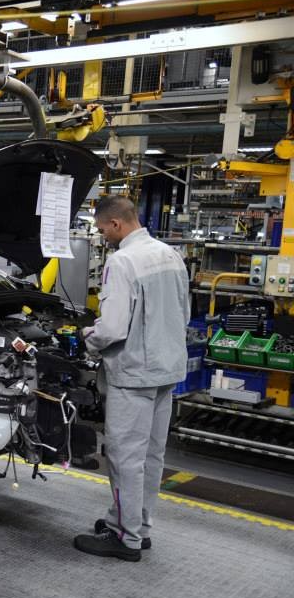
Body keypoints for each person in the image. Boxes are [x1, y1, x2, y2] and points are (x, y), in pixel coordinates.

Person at [74, 195, 190, 562]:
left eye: (102, 230)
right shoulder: (171, 255)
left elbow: (111, 327)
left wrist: (85, 339)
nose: (103, 236)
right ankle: (137, 525)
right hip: (167, 369)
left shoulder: (122, 261)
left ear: (116, 225)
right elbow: (184, 312)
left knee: (125, 457)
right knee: (151, 455)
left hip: (134, 374)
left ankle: (125, 538)